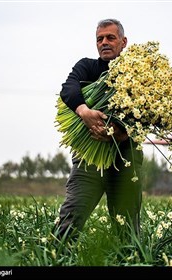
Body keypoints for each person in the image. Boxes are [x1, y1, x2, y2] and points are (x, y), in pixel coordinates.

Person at [54, 19, 144, 242]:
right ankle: (55, 258)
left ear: (123, 42)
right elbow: (68, 88)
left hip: (125, 159)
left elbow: (149, 118)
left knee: (127, 233)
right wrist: (84, 111)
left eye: (110, 38)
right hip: (88, 161)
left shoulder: (140, 77)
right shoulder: (88, 67)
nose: (104, 42)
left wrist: (121, 134)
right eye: (99, 39)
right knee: (69, 223)